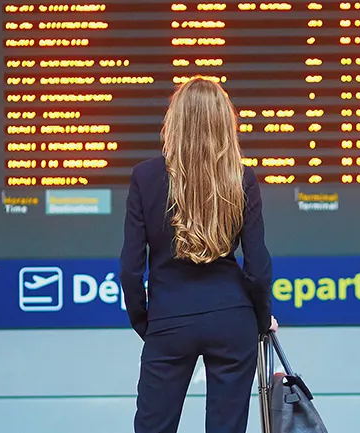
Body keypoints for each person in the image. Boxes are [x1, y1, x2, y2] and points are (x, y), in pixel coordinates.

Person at [119, 77, 278, 433]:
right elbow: (257, 267)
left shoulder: (145, 177)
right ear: (225, 122)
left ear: (173, 120)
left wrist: (147, 323)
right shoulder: (241, 178)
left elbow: (130, 269)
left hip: (169, 318)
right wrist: (261, 318)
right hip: (232, 319)